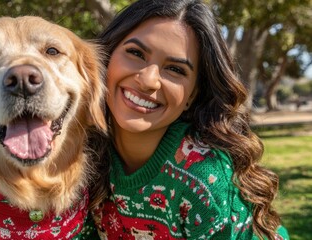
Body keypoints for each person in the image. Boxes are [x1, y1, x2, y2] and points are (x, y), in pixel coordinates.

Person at [87, 0, 290, 239]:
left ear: (191, 95)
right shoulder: (79, 152)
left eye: (175, 69)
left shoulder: (204, 179)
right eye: (135, 53)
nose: (148, 80)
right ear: (105, 57)